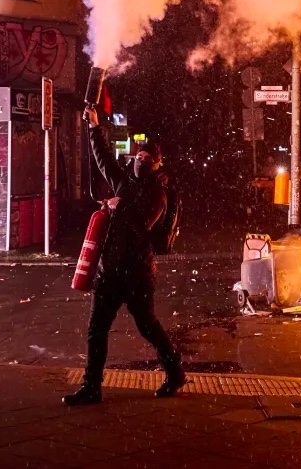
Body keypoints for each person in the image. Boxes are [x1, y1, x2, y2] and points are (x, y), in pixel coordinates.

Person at [63, 106, 186, 406]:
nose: (140, 162)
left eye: (147, 159)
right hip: (109, 270)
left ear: (157, 164)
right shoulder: (123, 181)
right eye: (138, 157)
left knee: (147, 326)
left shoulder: (158, 193)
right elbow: (103, 158)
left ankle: (175, 372)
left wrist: (120, 206)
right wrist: (94, 127)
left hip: (137, 273)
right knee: (96, 330)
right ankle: (91, 387)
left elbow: (143, 222)